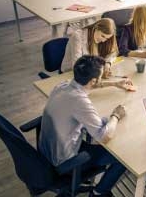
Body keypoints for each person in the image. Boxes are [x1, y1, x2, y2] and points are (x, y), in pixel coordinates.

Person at [39, 55, 128, 197]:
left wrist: (114, 84)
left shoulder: (63, 85)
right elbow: (104, 137)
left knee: (96, 126)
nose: (103, 77)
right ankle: (99, 192)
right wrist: (116, 115)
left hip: (48, 149)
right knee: (125, 158)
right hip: (65, 161)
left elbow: (90, 86)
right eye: (101, 76)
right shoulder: (80, 101)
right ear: (93, 80)